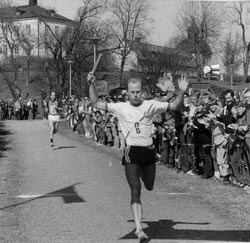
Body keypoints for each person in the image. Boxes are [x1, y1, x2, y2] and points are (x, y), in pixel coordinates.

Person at [88, 72, 189, 241]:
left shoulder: (151, 105)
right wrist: (91, 84)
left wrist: (181, 91)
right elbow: (95, 102)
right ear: (127, 92)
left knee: (149, 186)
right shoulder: (120, 107)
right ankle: (139, 229)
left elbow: (174, 106)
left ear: (142, 92)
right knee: (136, 190)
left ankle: (143, 174)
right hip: (132, 152)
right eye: (132, 92)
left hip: (148, 152)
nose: (135, 95)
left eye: (138, 91)